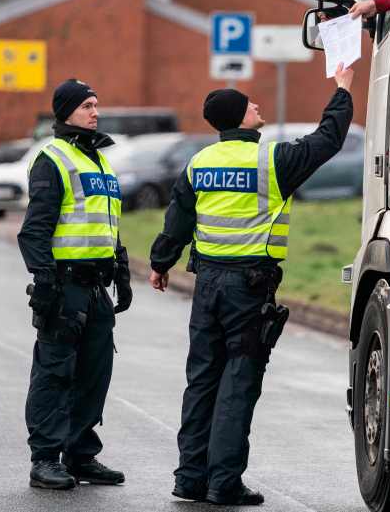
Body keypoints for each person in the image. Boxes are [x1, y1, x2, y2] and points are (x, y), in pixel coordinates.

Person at [150, 64, 356, 506]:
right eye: (250, 105)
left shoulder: (199, 163)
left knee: (202, 379)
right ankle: (223, 482)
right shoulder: (272, 161)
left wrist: (159, 263)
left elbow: (178, 219)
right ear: (238, 118)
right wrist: (343, 90)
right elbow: (328, 140)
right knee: (238, 382)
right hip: (248, 286)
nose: (257, 106)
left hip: (205, 284)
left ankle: (189, 479)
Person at [18, 79, 132, 490]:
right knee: (55, 373)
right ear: (65, 111)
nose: (94, 112)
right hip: (65, 287)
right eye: (86, 105)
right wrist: (44, 282)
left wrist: (120, 268)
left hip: (96, 286)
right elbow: (34, 232)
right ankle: (45, 458)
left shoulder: (99, 160)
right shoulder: (54, 158)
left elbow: (106, 223)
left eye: (96, 105)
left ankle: (81, 454)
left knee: (94, 374)